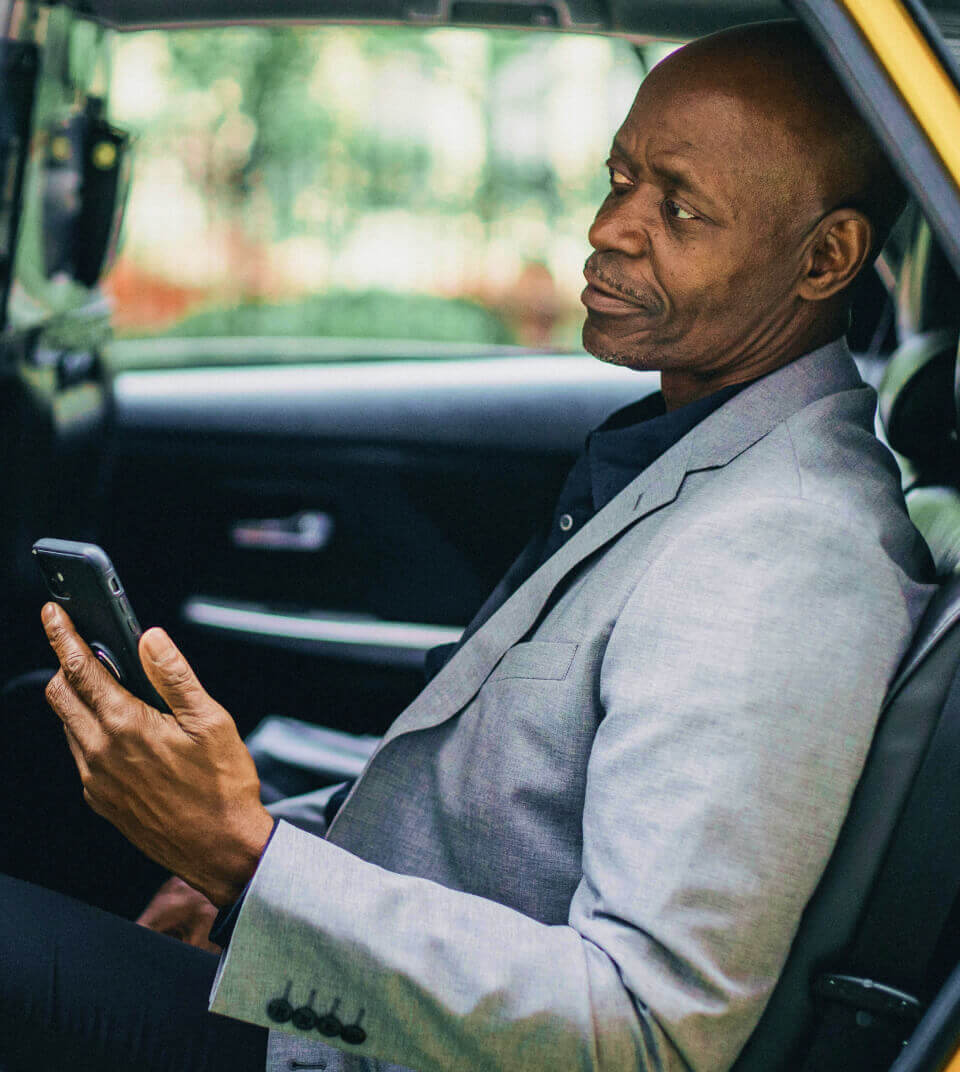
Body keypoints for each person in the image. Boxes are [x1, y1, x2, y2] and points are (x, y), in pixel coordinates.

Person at [0, 19, 937, 1072]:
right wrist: (251, 876)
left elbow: (646, 1030)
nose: (610, 226)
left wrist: (247, 859)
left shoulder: (784, 553)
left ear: (827, 258)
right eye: (618, 175)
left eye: (677, 206)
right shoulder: (689, 446)